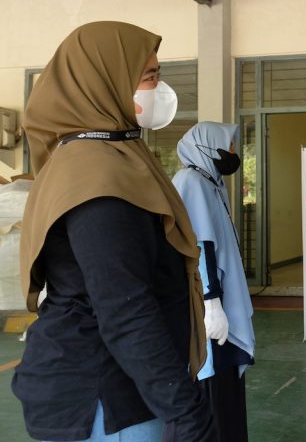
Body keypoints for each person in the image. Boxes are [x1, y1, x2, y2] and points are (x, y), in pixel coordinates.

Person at [12, 22, 216, 441]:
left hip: (115, 384)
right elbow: (125, 308)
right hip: (108, 395)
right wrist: (188, 413)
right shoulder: (97, 175)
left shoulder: (109, 156)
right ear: (105, 81)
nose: (159, 90)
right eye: (149, 77)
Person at [172, 122, 256, 442]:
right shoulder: (191, 181)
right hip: (208, 306)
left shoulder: (211, 183)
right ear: (208, 146)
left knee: (226, 386)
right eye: (229, 145)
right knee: (212, 388)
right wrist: (211, 301)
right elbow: (200, 244)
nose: (233, 152)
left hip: (217, 301)